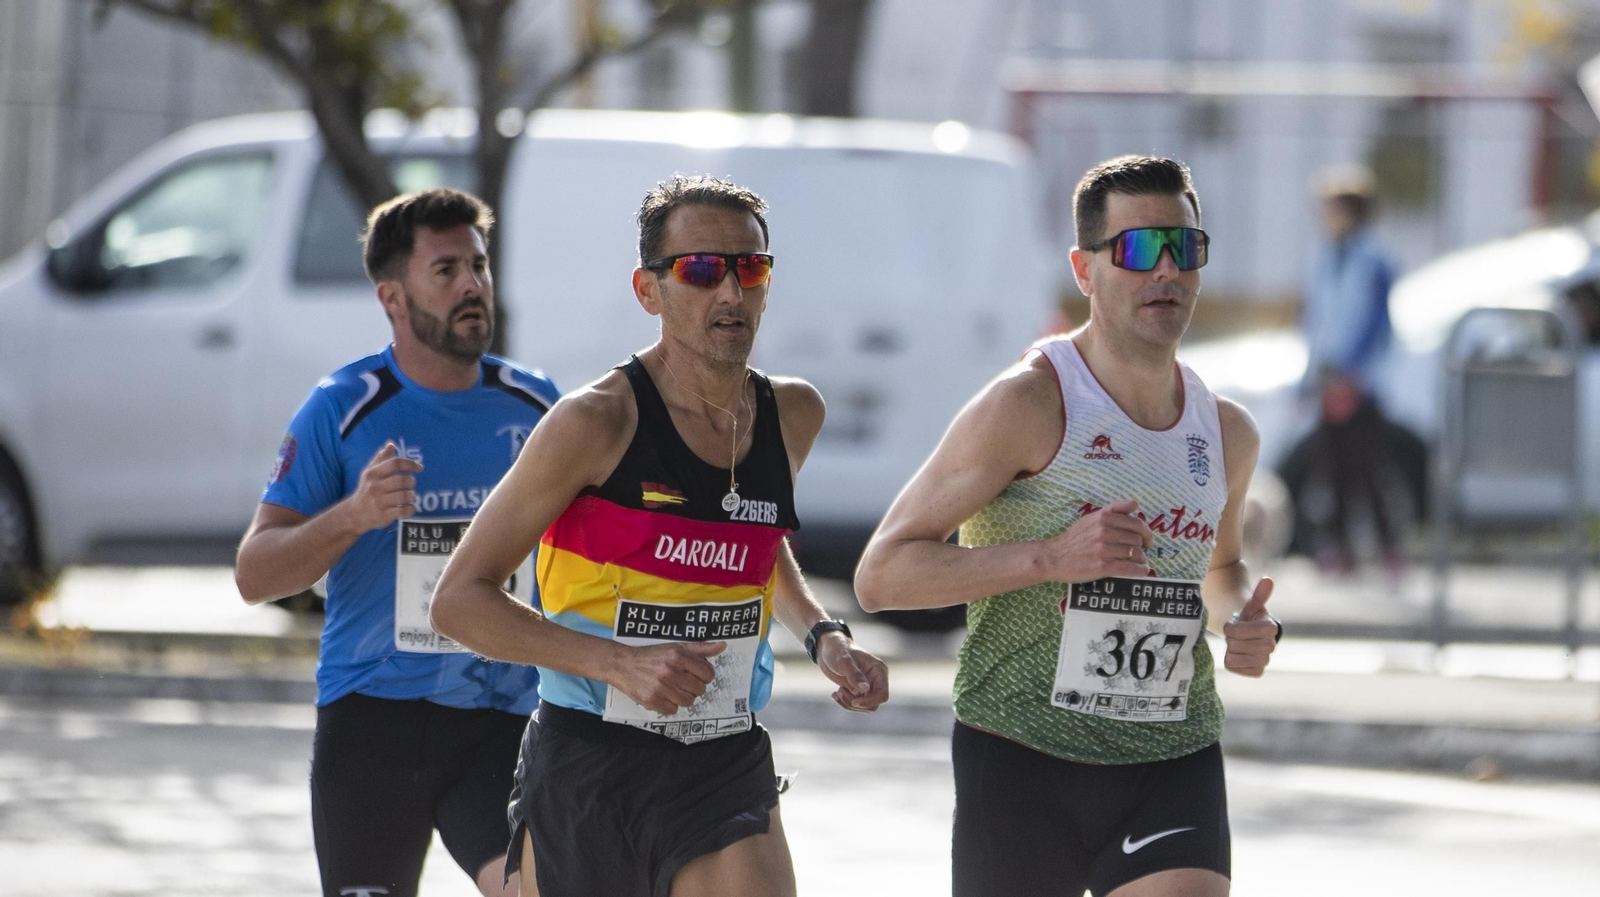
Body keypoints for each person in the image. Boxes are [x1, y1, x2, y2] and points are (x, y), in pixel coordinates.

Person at [430, 173, 890, 897]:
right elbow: (457, 599)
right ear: (650, 291)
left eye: (751, 267)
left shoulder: (793, 414)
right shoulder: (595, 422)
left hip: (723, 753)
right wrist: (619, 663)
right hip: (592, 760)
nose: (731, 293)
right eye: (702, 270)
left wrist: (822, 634)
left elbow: (755, 544)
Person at [854, 155, 1281, 897]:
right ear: (1084, 271)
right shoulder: (1028, 404)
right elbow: (881, 574)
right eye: (1142, 250)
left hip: (1170, 753)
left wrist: (1242, 618)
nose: (1168, 272)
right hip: (1022, 752)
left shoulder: (1227, 431)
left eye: (1185, 248)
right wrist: (1051, 557)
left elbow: (1218, 567)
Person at [234, 188, 558, 897]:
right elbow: (254, 575)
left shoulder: (538, 407)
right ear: (392, 295)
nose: (472, 284)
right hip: (374, 723)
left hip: (499, 720)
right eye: (445, 270)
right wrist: (351, 515)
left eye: (479, 264)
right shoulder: (344, 407)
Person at [1289, 167, 1407, 572]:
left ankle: (1389, 546)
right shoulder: (1323, 256)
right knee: (1332, 469)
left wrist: (1352, 373)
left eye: (1332, 208)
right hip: (1327, 378)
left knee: (1369, 467)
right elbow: (1317, 320)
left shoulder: (1373, 259)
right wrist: (1312, 376)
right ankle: (1340, 550)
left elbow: (1374, 323)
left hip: (1360, 382)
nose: (1326, 216)